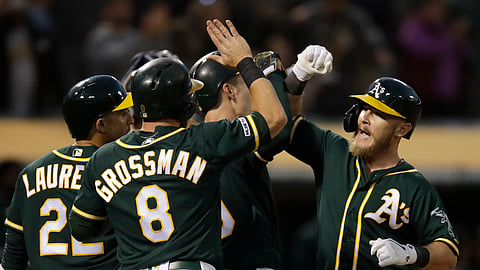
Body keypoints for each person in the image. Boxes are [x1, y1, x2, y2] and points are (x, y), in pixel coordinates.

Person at [68, 19, 287, 270]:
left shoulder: (104, 158)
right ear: (186, 105)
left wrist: (125, 214)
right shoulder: (203, 140)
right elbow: (274, 118)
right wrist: (245, 63)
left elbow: (82, 229)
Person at [285, 47, 459, 269]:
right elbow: (284, 121)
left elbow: (448, 254)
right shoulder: (334, 152)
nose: (365, 117)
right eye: (365, 108)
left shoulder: (414, 186)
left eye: (378, 113)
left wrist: (410, 254)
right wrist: (299, 75)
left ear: (402, 129)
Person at [189, 46, 332, 270]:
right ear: (229, 90)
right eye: (246, 83)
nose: (252, 90)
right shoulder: (234, 139)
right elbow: (279, 126)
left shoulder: (190, 142)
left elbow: (281, 122)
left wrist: (298, 76)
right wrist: (271, 69)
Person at [1, 75, 134, 269]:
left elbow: (13, 256)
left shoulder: (30, 173)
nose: (130, 119)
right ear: (101, 125)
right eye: (122, 114)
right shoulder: (120, 169)